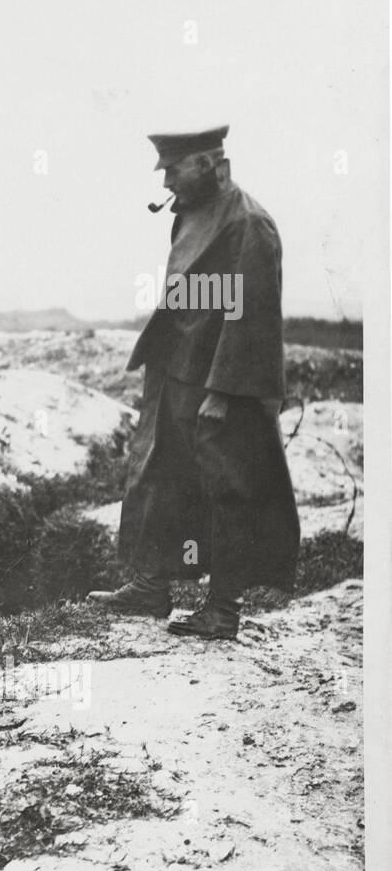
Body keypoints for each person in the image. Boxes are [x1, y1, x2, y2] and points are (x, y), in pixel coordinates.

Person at [88, 125, 299, 639]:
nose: (166, 180)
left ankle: (222, 610)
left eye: (173, 169)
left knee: (227, 488)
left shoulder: (250, 224)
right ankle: (151, 586)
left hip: (219, 385)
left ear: (207, 163)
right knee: (163, 477)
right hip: (176, 373)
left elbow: (250, 317)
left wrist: (222, 393)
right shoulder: (190, 210)